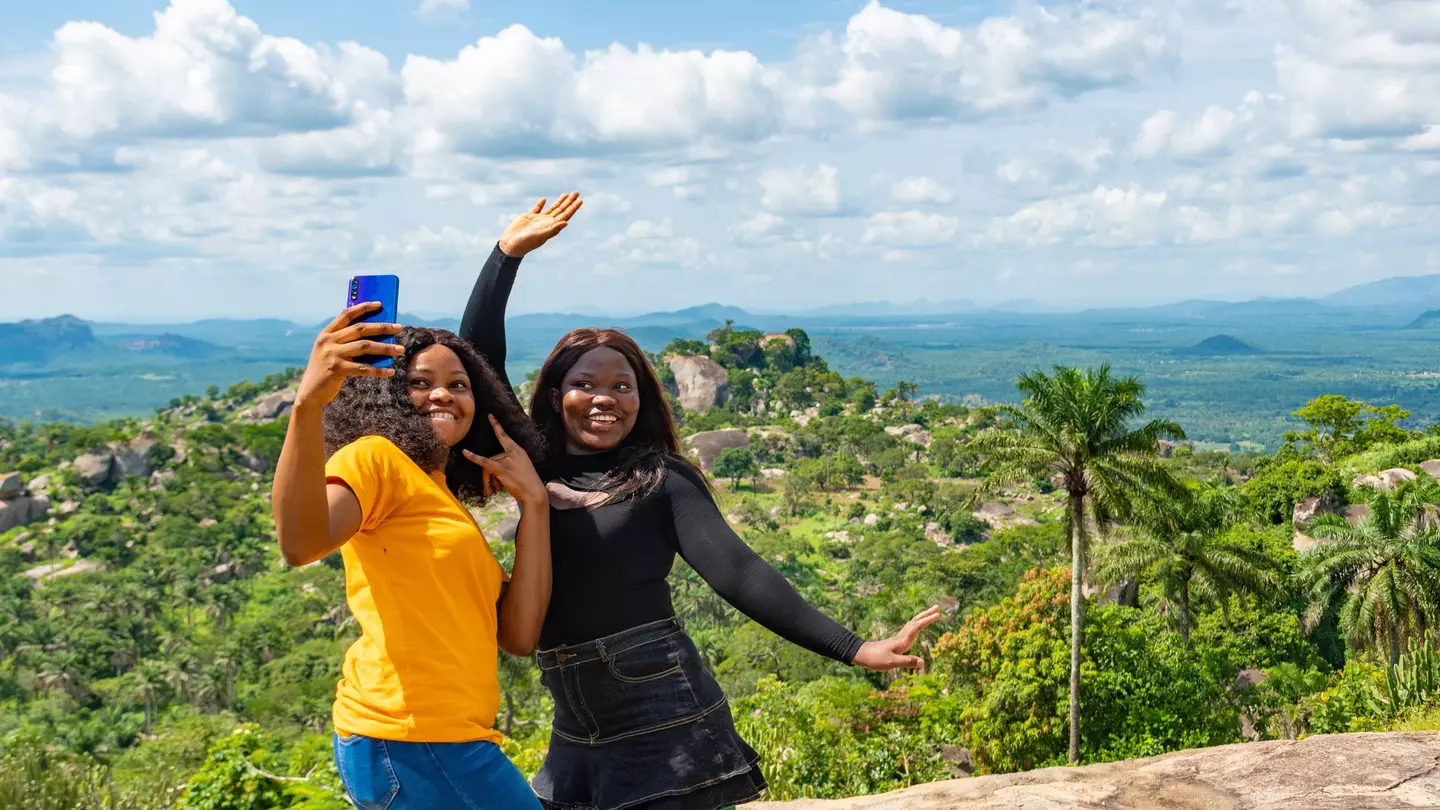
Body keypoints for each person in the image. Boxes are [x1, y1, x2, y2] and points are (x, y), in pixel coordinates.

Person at [459, 192, 942, 810]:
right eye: (584, 384)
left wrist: (853, 648)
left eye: (621, 386)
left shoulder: (661, 480)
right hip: (576, 719)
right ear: (555, 395)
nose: (604, 398)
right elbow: (477, 369)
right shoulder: (530, 467)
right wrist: (505, 256)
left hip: (664, 706)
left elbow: (741, 573)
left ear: (641, 399)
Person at [272, 301, 555, 808]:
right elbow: (300, 544)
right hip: (408, 735)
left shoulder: (437, 489)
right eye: (419, 382)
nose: (443, 393)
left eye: (459, 384)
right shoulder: (376, 458)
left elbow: (517, 636)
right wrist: (307, 405)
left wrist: (534, 505)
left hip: (443, 737)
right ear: (386, 397)